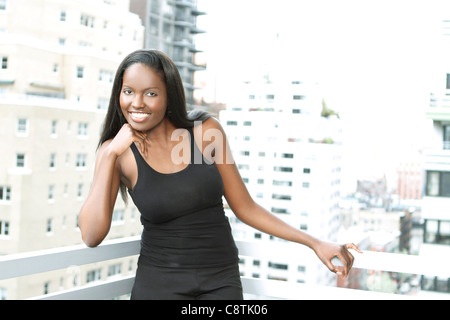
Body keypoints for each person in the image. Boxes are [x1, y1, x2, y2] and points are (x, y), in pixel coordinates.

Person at [78, 49, 361, 300]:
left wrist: (315, 243)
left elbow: (245, 207)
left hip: (219, 280)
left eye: (150, 93)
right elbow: (91, 235)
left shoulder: (206, 132)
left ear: (168, 96)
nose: (137, 103)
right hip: (158, 283)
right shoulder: (118, 153)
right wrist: (109, 154)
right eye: (129, 91)